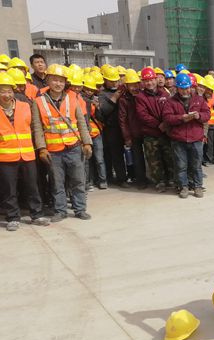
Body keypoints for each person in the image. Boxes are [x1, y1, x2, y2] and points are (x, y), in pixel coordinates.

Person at [31, 64, 93, 221]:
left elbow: (81, 123)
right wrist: (42, 148)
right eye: (54, 80)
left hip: (73, 147)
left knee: (78, 180)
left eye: (61, 81)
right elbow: (37, 128)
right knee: (57, 182)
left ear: (65, 83)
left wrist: (87, 143)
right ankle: (60, 210)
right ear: (48, 81)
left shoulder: (73, 99)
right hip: (53, 150)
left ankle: (80, 209)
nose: (58, 84)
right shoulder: (38, 102)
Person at [0, 72, 49, 231]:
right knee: (9, 189)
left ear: (14, 91)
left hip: (27, 154)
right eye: (2, 91)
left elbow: (35, 127)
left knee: (32, 186)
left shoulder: (25, 106)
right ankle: (13, 217)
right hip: (6, 157)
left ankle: (37, 214)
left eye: (8, 91)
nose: (6, 95)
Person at [162, 73, 210, 199]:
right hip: (179, 139)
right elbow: (167, 118)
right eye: (182, 88)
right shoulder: (171, 101)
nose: (186, 90)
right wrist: (181, 118)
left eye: (187, 87)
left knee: (196, 165)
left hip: (196, 138)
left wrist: (199, 116)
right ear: (177, 88)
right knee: (181, 165)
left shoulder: (199, 100)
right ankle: (183, 187)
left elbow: (207, 114)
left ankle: (198, 186)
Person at [135, 66, 174, 191]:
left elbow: (169, 110)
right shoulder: (140, 97)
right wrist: (159, 125)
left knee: (169, 157)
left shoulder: (164, 94)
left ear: (156, 80)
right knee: (154, 160)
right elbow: (143, 116)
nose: (149, 83)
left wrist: (166, 124)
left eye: (151, 80)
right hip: (151, 134)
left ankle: (171, 179)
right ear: (143, 82)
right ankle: (159, 181)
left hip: (166, 132)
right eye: (146, 81)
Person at [96, 65, 129, 186]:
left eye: (116, 80)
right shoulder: (102, 94)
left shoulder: (122, 90)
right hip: (111, 128)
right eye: (111, 80)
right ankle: (118, 178)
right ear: (105, 80)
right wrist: (115, 97)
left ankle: (125, 176)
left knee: (125, 155)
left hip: (123, 126)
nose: (115, 83)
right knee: (114, 154)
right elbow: (104, 111)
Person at [118, 69, 148, 189]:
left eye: (136, 84)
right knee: (137, 158)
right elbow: (122, 120)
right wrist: (127, 137)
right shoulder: (123, 100)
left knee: (150, 156)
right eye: (131, 85)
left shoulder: (144, 95)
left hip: (146, 130)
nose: (134, 87)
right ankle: (141, 180)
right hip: (133, 133)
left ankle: (150, 177)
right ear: (126, 85)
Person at [198, 75, 214, 165]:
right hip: (202, 124)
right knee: (202, 143)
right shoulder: (199, 98)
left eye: (211, 90)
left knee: (209, 143)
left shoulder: (212, 97)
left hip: (210, 123)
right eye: (208, 89)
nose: (209, 91)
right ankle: (202, 159)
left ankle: (207, 158)